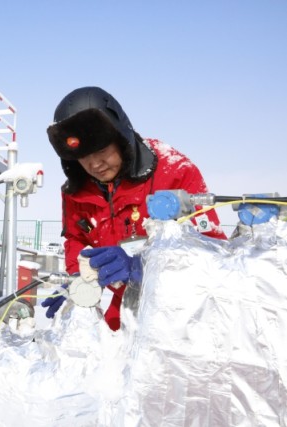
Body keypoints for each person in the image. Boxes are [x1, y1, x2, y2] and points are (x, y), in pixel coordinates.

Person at [41, 86, 226, 330]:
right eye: (84, 157)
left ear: (121, 137)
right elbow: (76, 240)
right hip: (126, 308)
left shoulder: (174, 172)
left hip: (187, 313)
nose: (95, 164)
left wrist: (142, 267)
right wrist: (78, 279)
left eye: (101, 150)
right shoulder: (77, 192)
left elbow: (211, 252)